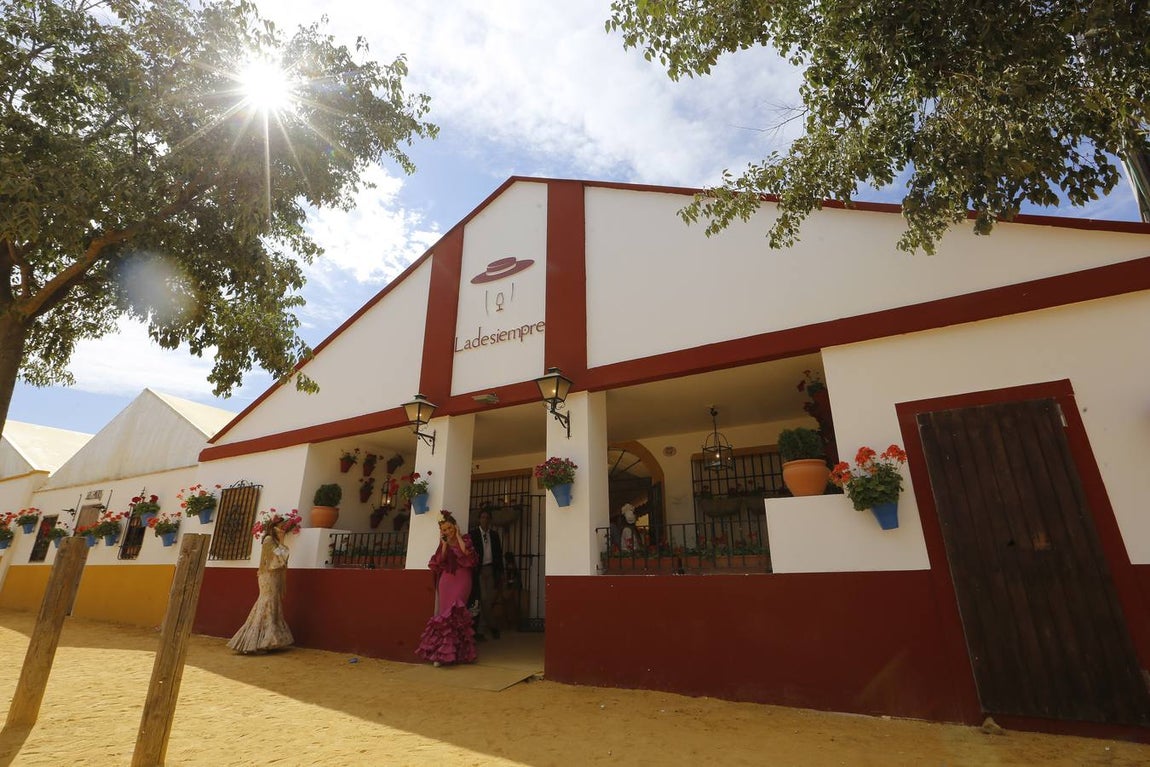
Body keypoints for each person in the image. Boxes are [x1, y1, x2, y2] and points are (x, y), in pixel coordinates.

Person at [415, 510, 478, 666]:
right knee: (444, 615)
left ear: (455, 527)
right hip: (446, 580)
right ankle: (441, 655)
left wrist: (457, 537)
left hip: (463, 579)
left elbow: (467, 554)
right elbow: (440, 560)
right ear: (441, 531)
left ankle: (459, 653)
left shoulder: (465, 539)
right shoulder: (442, 543)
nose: (448, 531)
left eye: (450, 528)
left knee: (457, 612)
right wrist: (444, 544)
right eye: (445, 530)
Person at [228, 516, 293, 654]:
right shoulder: (269, 540)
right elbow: (277, 560)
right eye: (280, 526)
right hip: (268, 576)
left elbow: (282, 557)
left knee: (272, 603)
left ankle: (268, 641)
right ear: (273, 527)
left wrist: (281, 541)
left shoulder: (274, 541)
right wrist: (282, 541)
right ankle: (258, 642)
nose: (282, 529)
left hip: (273, 576)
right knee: (267, 603)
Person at [468, 508, 503, 640]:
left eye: (487, 517)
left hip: (490, 569)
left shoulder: (494, 535)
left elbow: (498, 554)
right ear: (479, 519)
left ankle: (481, 630)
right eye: (482, 517)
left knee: (487, 600)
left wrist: (500, 572)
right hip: (479, 570)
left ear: (490, 520)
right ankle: (490, 627)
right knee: (483, 599)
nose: (485, 520)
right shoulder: (473, 534)